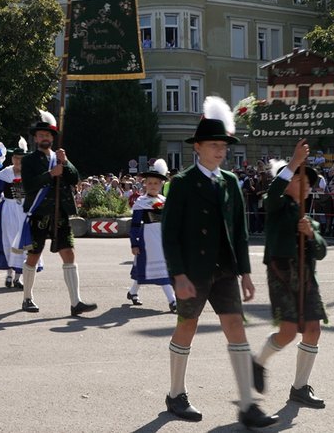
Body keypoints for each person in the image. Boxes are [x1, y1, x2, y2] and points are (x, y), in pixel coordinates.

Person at [161, 96, 277, 428]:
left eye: (223, 145)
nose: (221, 150)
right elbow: (169, 235)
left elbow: (239, 231)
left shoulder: (230, 183)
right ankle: (175, 393)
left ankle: (246, 404)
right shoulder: (182, 184)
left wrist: (245, 273)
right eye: (214, 145)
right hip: (192, 271)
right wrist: (178, 275)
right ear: (197, 147)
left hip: (224, 269)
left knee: (236, 328)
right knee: (188, 326)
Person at [254, 139, 328, 409]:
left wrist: (311, 235)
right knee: (286, 333)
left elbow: (320, 251)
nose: (308, 184)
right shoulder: (276, 206)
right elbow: (272, 195)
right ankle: (258, 362)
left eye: (310, 181)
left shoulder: (310, 219)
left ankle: (299, 388)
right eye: (302, 179)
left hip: (307, 278)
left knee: (313, 330)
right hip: (281, 273)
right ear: (289, 183)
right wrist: (294, 162)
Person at [15, 111, 96, 316]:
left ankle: (76, 302)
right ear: (35, 138)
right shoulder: (29, 161)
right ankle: (27, 298)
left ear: (52, 138)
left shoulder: (59, 157)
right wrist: (50, 174)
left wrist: (66, 162)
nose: (45, 138)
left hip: (59, 213)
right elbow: (29, 185)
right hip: (39, 213)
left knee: (68, 253)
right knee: (33, 255)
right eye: (41, 135)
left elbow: (73, 178)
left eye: (48, 135)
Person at [0, 138, 42, 288]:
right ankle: (9, 275)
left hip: (25, 211)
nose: (19, 161)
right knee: (10, 241)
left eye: (22, 159)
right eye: (16, 158)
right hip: (9, 210)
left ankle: (19, 277)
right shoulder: (4, 174)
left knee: (24, 243)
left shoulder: (30, 174)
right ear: (12, 159)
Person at [127, 159, 176, 313]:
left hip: (162, 239)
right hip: (147, 239)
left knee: (147, 269)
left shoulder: (164, 201)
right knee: (157, 270)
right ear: (145, 184)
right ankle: (173, 301)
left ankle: (133, 292)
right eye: (150, 183)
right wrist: (134, 244)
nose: (153, 186)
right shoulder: (141, 202)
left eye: (156, 183)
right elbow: (135, 225)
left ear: (161, 185)